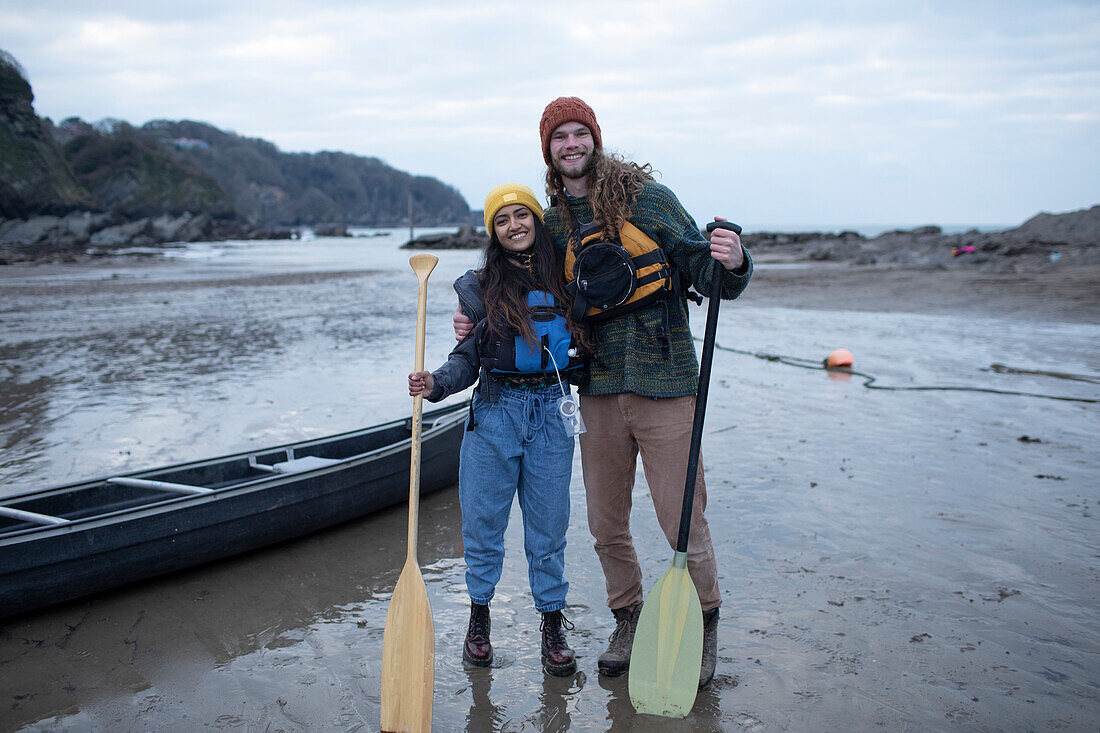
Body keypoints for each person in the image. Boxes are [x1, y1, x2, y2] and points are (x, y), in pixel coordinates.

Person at [454, 98, 752, 689]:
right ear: (548, 150)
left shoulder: (648, 199)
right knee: (604, 522)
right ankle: (628, 618)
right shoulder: (553, 222)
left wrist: (735, 260)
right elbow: (510, 283)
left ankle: (705, 624)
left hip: (665, 381)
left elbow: (704, 269)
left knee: (682, 519)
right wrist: (470, 318)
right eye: (559, 136)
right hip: (593, 390)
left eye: (578, 133)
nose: (571, 144)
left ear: (594, 139)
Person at [409, 182, 588, 677]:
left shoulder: (569, 277)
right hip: (494, 414)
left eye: (521, 215)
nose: (514, 226)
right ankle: (479, 619)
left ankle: (551, 626)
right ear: (494, 231)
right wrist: (436, 382)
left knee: (548, 531)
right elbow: (466, 360)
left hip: (553, 414)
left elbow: (594, 334)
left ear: (536, 219)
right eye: (502, 220)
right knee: (483, 528)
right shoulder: (479, 286)